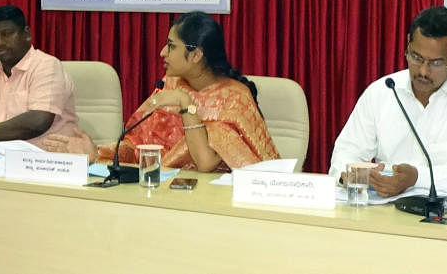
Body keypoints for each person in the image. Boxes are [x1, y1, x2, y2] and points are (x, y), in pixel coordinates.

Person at [46, 11, 280, 172]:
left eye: (171, 46)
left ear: (196, 55)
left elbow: (206, 162)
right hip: (165, 192)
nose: (162, 53)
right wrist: (98, 154)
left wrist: (185, 103)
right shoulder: (171, 84)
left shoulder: (233, 98)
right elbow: (138, 146)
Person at [329, 6, 447, 197]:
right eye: (416, 57)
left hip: (445, 213)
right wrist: (353, 176)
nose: (423, 71)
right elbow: (348, 150)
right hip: (384, 208)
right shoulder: (383, 91)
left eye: (435, 63)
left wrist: (417, 178)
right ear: (408, 43)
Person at [0, 5, 91, 152]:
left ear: (27, 34)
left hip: (44, 162)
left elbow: (38, 121)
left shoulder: (46, 66)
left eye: (7, 34)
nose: (0, 43)